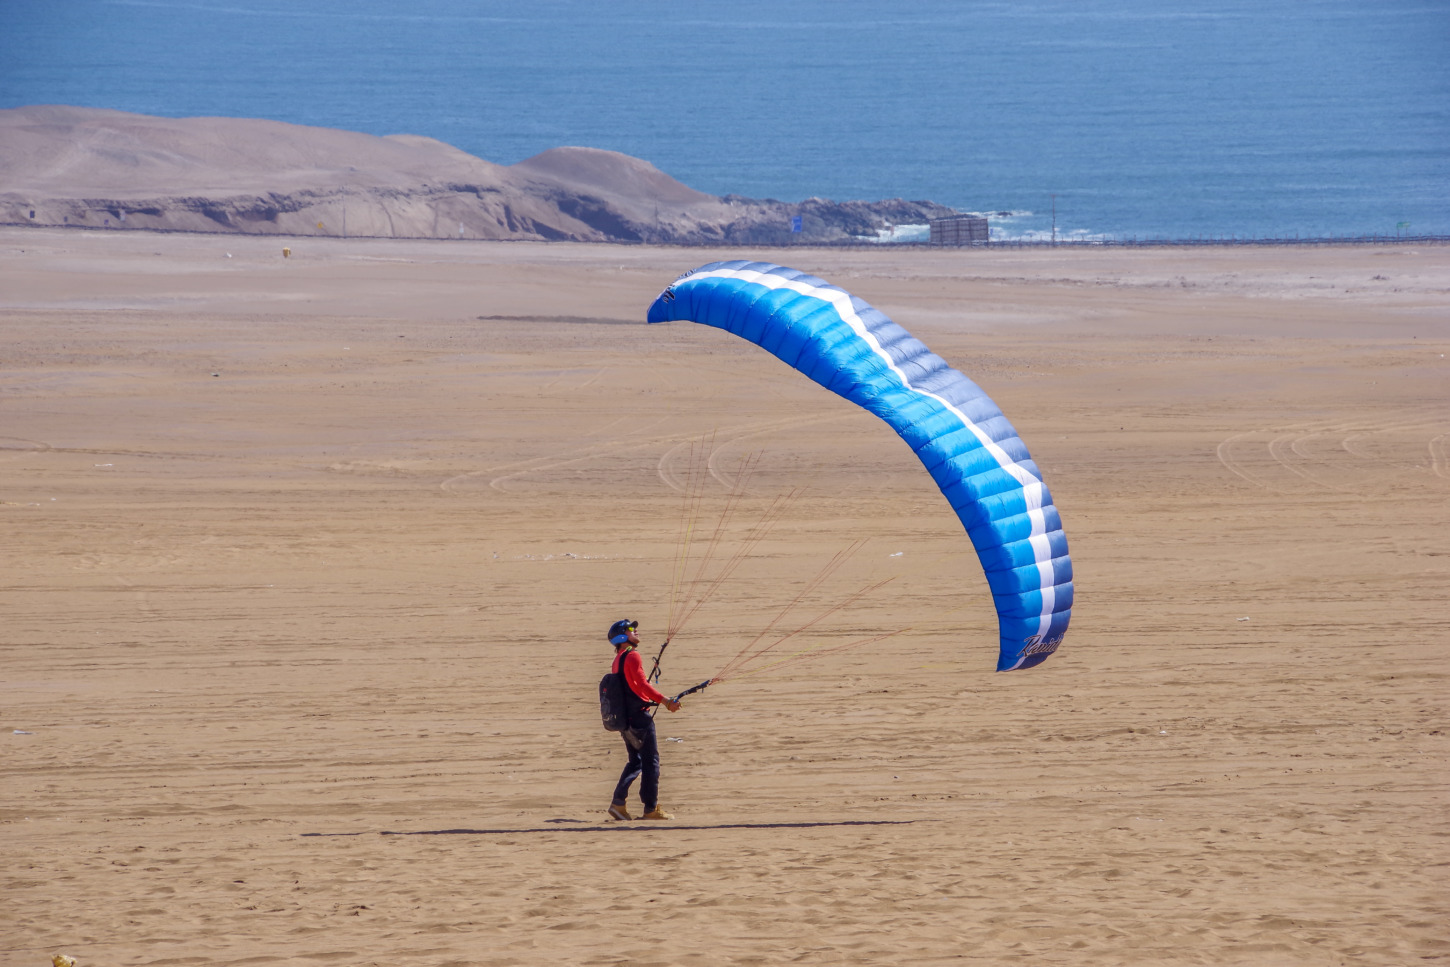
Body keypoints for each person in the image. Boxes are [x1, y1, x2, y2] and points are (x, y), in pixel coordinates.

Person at [606, 618, 680, 821]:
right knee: (651, 762)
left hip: (625, 719)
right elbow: (642, 685)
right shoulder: (632, 656)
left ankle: (618, 804)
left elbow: (633, 686)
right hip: (639, 718)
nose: (636, 631)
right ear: (622, 636)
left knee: (636, 760)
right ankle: (650, 809)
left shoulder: (618, 658)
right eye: (631, 629)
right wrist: (665, 701)